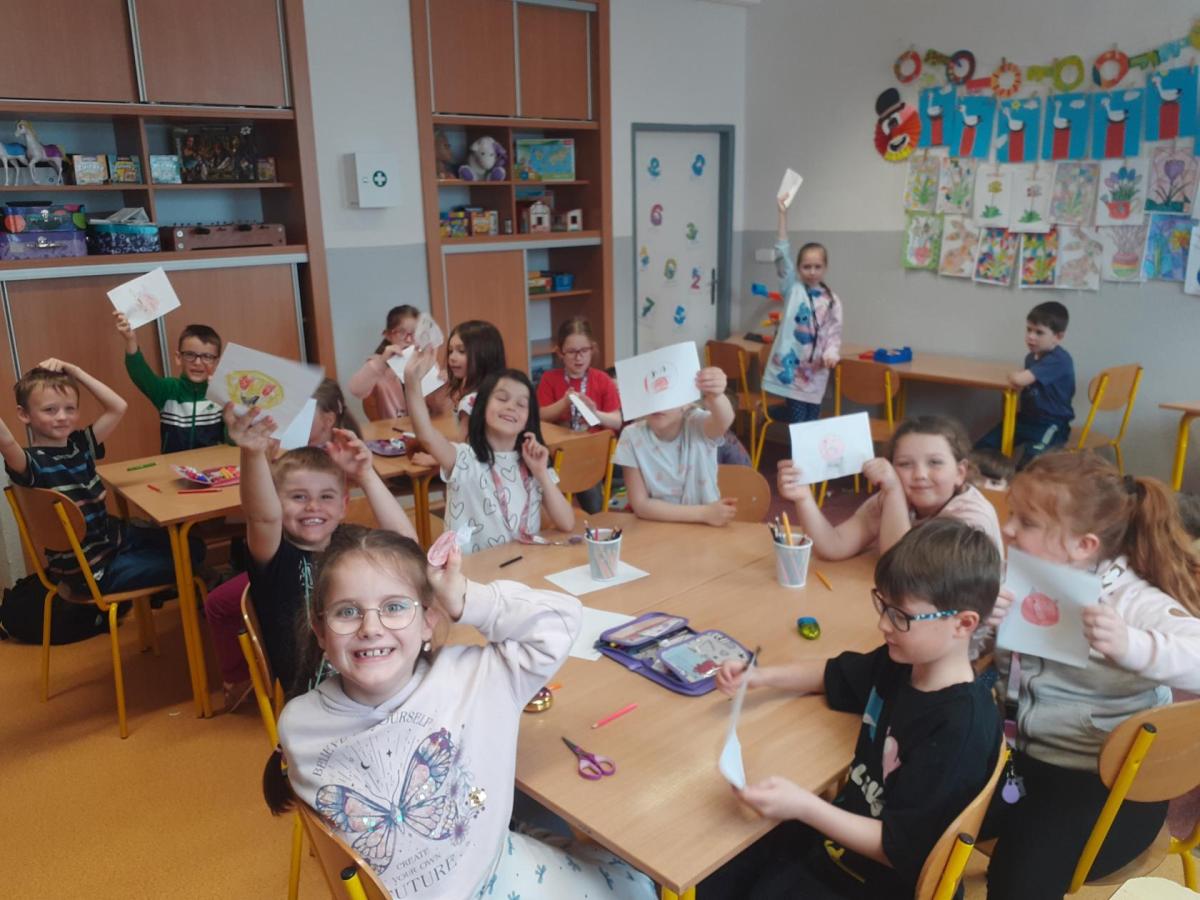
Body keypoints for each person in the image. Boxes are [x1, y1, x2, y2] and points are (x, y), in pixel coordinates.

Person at [263, 526, 657, 898]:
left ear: (428, 621)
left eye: (394, 607)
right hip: (493, 881)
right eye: (347, 612)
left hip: (494, 862)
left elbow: (564, 619)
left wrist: (463, 597)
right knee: (639, 884)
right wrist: (466, 599)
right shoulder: (301, 726)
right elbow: (558, 623)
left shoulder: (473, 677)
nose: (370, 627)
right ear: (320, 630)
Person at [701, 519, 1003, 899]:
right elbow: (833, 674)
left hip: (877, 882)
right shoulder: (903, 662)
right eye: (883, 605)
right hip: (840, 843)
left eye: (900, 616)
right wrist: (759, 676)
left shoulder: (959, 729)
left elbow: (899, 849)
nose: (883, 624)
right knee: (712, 868)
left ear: (963, 624)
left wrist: (804, 806)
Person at [980, 451, 1200, 900]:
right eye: (1012, 515)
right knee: (931, 810)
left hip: (1103, 785)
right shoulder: (1016, 576)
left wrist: (1130, 645)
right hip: (1019, 758)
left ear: (1084, 545)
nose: (1008, 528)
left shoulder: (1132, 600)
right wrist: (981, 624)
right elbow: (967, 660)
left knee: (1017, 879)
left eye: (1027, 522)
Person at [226, 403, 416, 692]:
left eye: (326, 497)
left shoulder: (349, 542)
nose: (313, 506)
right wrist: (252, 452)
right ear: (277, 502)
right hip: (317, 696)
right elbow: (262, 517)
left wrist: (366, 475)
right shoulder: (276, 555)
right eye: (299, 497)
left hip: (374, 675)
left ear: (343, 506)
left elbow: (406, 548)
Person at [1, 360, 199, 593]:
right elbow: (6, 441)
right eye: (50, 410)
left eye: (70, 408)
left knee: (191, 544)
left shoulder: (80, 444)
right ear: (24, 414)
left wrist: (75, 371)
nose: (62, 417)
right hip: (93, 571)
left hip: (112, 541)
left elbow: (118, 407)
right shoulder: (32, 463)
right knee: (190, 556)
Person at [405, 349, 574, 553]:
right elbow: (426, 434)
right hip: (473, 569)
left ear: (528, 419)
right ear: (482, 407)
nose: (511, 407)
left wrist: (541, 474)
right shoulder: (464, 458)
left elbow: (567, 523)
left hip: (524, 564)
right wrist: (412, 382)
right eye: (502, 399)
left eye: (521, 404)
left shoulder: (532, 462)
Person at [779, 415, 1002, 559]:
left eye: (935, 462)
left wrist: (894, 492)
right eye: (904, 464)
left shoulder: (971, 518)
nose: (920, 475)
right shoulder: (893, 500)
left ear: (960, 473)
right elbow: (834, 545)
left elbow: (905, 570)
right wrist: (803, 498)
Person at [613, 365, 737, 526]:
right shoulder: (631, 436)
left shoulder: (697, 423)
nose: (658, 404)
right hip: (658, 526)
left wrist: (717, 395)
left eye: (667, 395)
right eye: (651, 395)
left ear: (686, 403)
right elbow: (641, 505)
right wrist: (704, 513)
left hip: (704, 528)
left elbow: (725, 419)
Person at [761, 196, 843, 424]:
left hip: (815, 373)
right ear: (798, 268)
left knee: (811, 421)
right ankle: (774, 418)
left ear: (825, 268)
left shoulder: (832, 300)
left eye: (817, 266)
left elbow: (834, 334)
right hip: (793, 371)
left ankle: (772, 414)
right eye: (807, 266)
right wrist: (782, 214)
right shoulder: (792, 289)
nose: (812, 271)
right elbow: (781, 254)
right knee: (799, 424)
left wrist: (831, 354)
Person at [536, 316, 622, 513]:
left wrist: (595, 413)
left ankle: (595, 519)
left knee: (589, 488)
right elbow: (540, 416)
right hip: (559, 453)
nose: (578, 357)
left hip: (592, 454)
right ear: (560, 352)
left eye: (584, 351)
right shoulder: (549, 379)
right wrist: (563, 403)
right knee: (547, 476)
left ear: (592, 349)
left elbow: (617, 421)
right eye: (572, 352)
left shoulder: (602, 380)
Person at [975, 301, 1075, 468]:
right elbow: (1023, 382)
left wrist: (1014, 376)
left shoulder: (1059, 360)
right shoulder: (1031, 357)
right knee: (982, 450)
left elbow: (1019, 380)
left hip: (1051, 424)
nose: (1031, 336)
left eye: (1039, 332)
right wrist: (1018, 378)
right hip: (1026, 418)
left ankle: (1017, 481)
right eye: (1029, 330)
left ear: (1058, 337)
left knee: (1031, 465)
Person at [114, 312, 225, 452]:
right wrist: (130, 340)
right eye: (190, 354)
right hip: (174, 465)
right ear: (178, 358)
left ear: (216, 362)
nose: (197, 362)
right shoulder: (167, 390)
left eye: (207, 356)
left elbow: (234, 440)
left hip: (214, 464)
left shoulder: (222, 395)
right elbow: (140, 374)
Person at [347, 304, 420, 420]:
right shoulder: (378, 364)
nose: (409, 339)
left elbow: (440, 406)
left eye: (415, 333)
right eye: (402, 332)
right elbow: (355, 390)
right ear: (388, 335)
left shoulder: (424, 360)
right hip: (394, 429)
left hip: (426, 427)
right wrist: (382, 363)